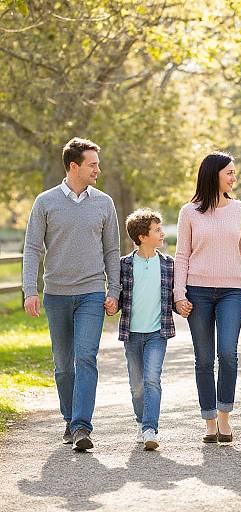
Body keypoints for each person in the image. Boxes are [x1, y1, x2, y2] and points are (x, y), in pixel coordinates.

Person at [22, 137, 121, 451]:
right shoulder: (45, 202)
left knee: (85, 358)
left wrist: (114, 290)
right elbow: (32, 248)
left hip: (92, 292)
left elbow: (112, 250)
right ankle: (70, 419)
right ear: (73, 166)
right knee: (64, 365)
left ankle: (81, 426)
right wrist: (29, 290)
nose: (97, 169)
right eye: (92, 164)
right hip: (56, 294)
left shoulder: (104, 203)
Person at [173, 151, 241, 443]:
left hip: (231, 292)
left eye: (234, 173)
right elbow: (181, 255)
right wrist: (178, 293)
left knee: (228, 354)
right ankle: (209, 420)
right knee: (204, 358)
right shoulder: (189, 212)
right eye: (230, 173)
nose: (234, 178)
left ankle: (224, 416)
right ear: (214, 175)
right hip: (197, 292)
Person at [108, 209, 175, 451]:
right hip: (132, 334)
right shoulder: (124, 265)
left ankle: (150, 428)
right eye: (157, 230)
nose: (162, 233)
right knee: (137, 385)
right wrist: (111, 304)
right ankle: (141, 421)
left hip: (158, 333)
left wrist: (184, 304)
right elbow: (117, 297)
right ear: (142, 236)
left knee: (152, 380)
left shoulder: (168, 264)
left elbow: (174, 298)